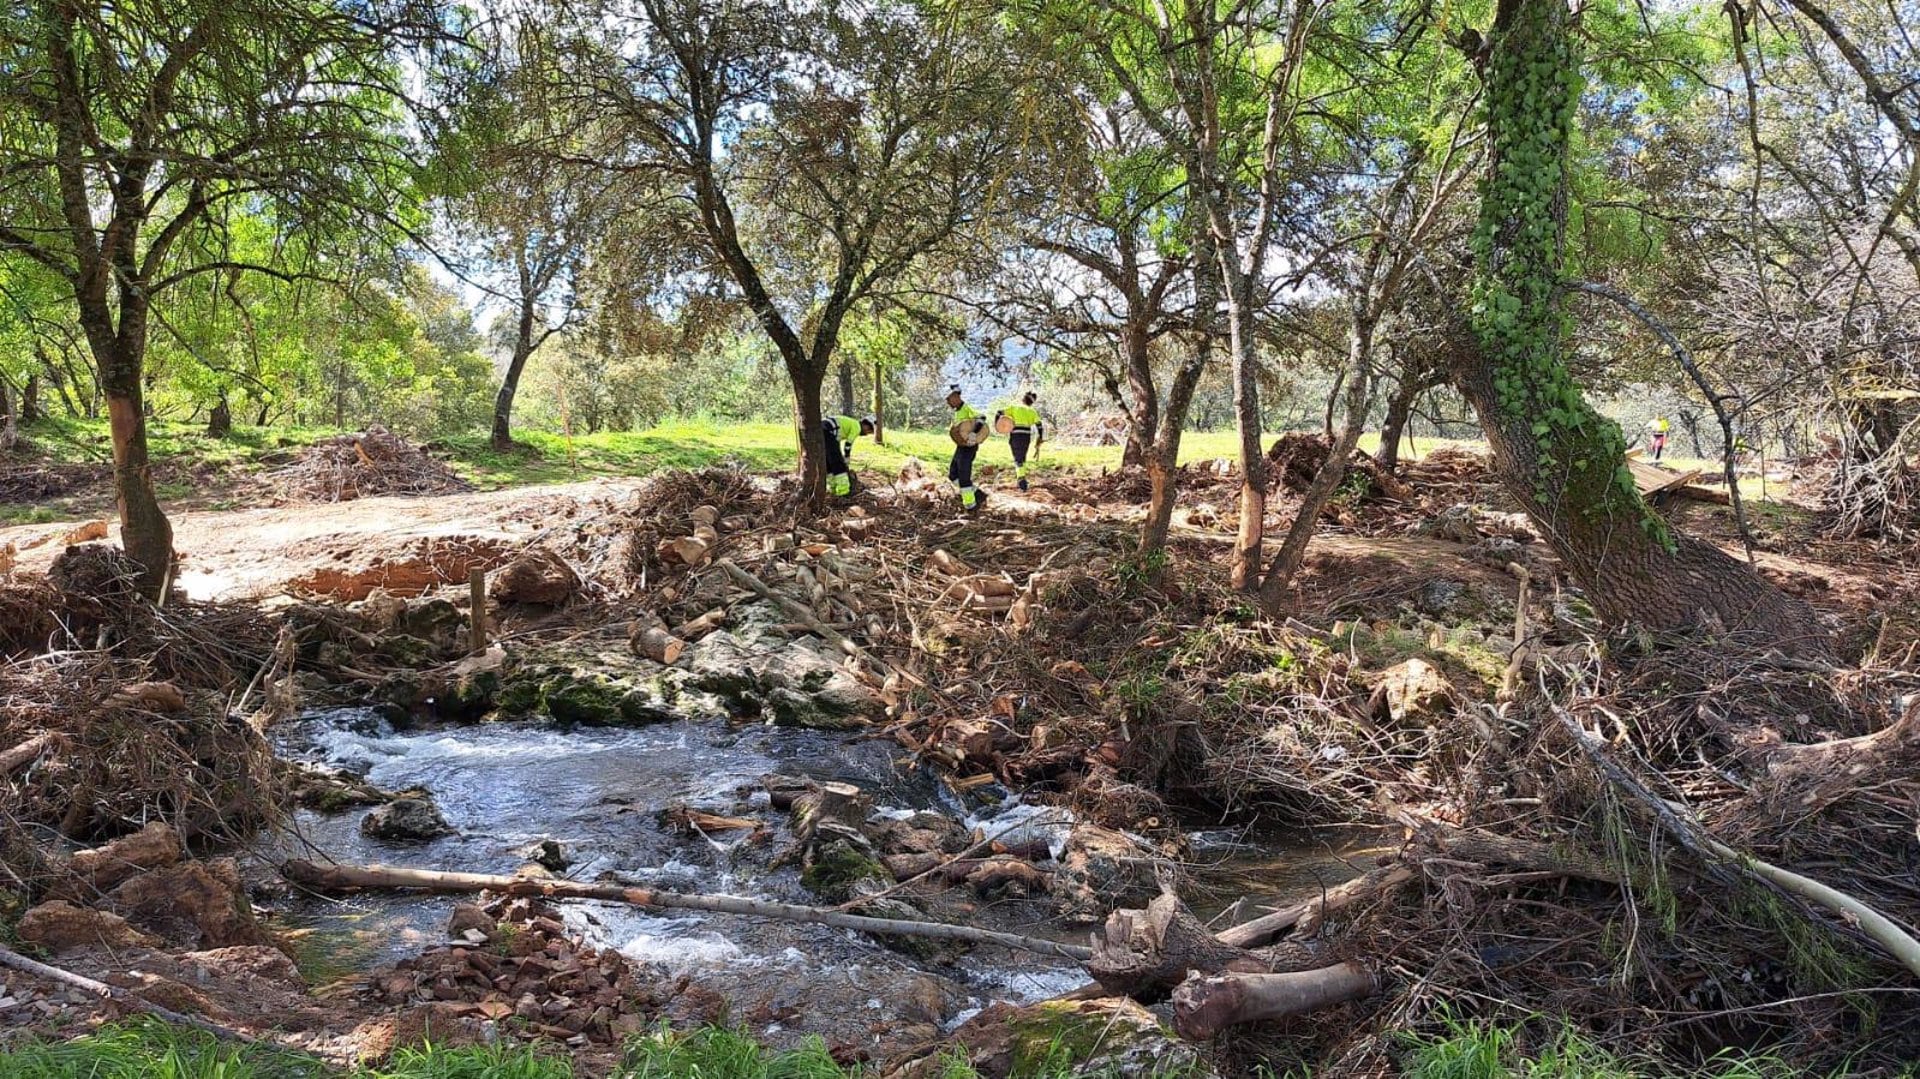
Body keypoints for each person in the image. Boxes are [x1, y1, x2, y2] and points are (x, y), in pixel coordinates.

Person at [946, 385, 987, 511]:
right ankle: (978, 494)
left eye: (949, 399)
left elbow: (981, 418)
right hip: (961, 447)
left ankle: (971, 506)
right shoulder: (958, 411)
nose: (948, 403)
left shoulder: (966, 408)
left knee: (964, 477)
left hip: (969, 448)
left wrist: (973, 434)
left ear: (956, 397)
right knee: (953, 475)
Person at [995, 392, 1045, 491]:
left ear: (1023, 399)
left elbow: (999, 412)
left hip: (1015, 435)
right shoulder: (1032, 411)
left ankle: (1021, 480)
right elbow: (1039, 425)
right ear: (1031, 402)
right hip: (1026, 436)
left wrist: (997, 426)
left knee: (1018, 458)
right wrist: (1040, 437)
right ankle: (1021, 477)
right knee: (1021, 457)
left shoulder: (1014, 407)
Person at [822, 413, 875, 497]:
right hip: (828, 431)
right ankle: (843, 493)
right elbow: (848, 444)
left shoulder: (850, 423)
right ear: (866, 425)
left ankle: (832, 490)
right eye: (868, 431)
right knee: (839, 465)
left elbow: (836, 441)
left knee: (829, 464)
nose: (866, 434)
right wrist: (846, 457)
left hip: (823, 429)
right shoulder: (857, 426)